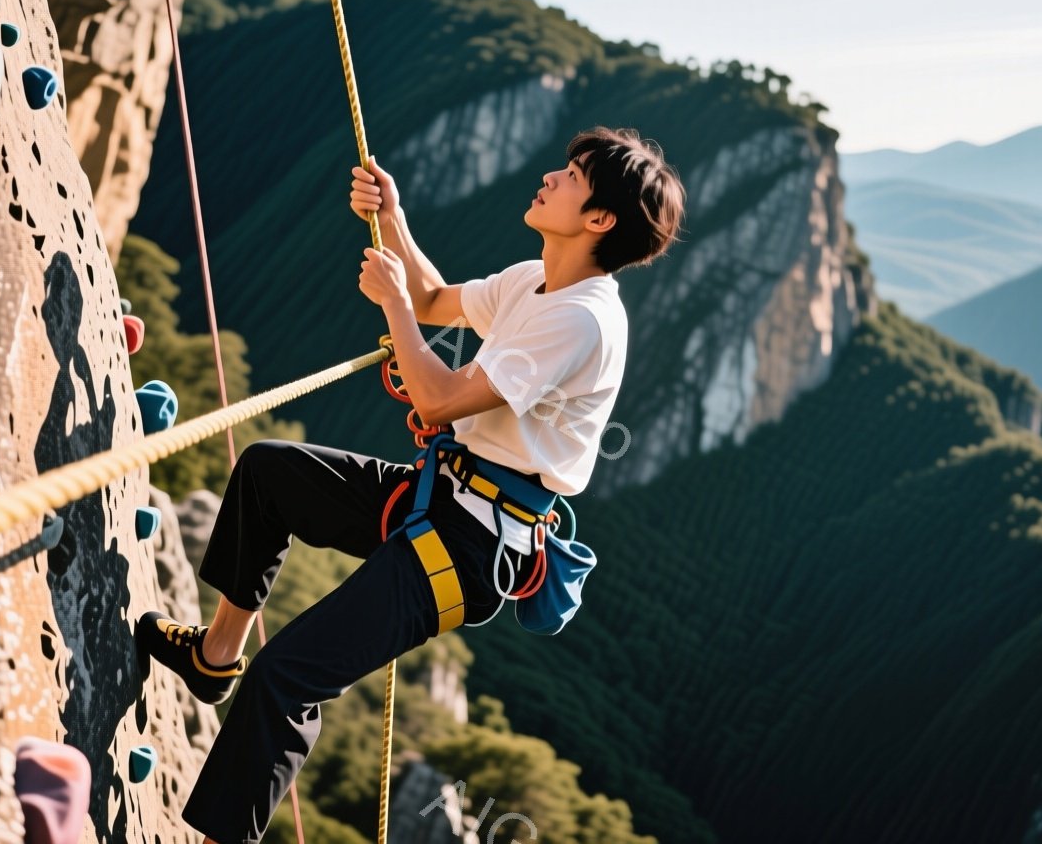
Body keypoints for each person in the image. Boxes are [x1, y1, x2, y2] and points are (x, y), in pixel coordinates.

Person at [135, 125, 686, 844]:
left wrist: (393, 306)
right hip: (446, 496)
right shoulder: (536, 279)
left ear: (600, 219)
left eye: (572, 177)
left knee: (287, 677)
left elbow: (439, 399)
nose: (551, 177)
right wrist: (393, 219)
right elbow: (432, 299)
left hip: (470, 546)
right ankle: (213, 659)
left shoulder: (582, 321)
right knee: (270, 473)